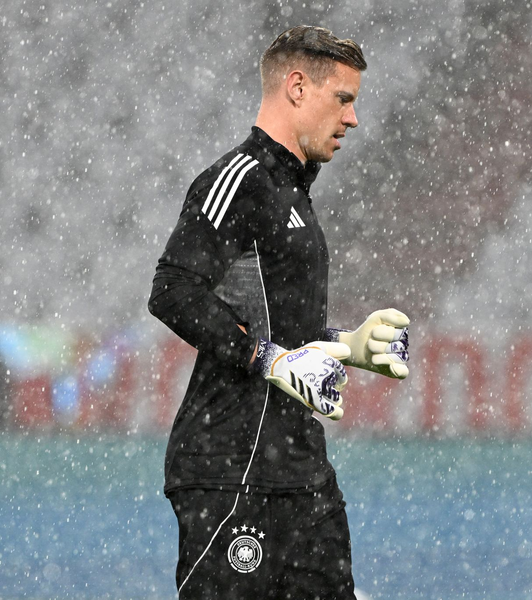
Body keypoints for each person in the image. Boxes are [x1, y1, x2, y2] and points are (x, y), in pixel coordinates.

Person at [148, 25, 410, 599]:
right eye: (343, 99)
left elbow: (282, 330)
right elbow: (173, 289)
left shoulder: (294, 192)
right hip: (230, 470)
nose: (353, 119)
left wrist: (348, 345)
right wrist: (268, 359)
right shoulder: (238, 180)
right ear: (296, 87)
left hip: (300, 473)